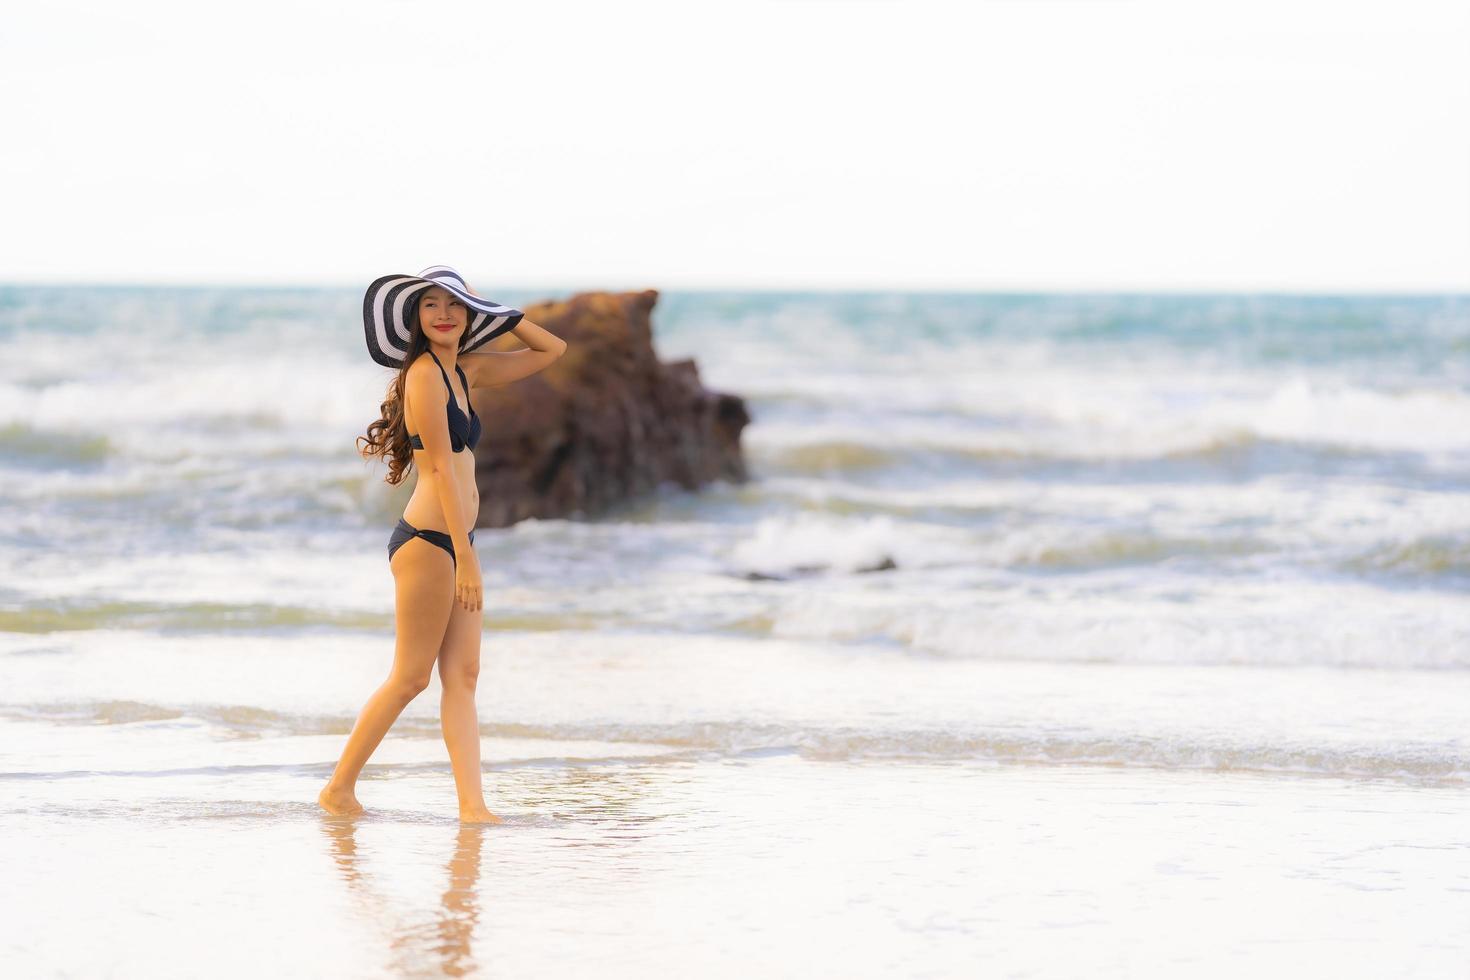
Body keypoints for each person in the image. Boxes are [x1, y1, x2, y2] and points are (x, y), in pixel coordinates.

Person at [318, 266, 568, 823]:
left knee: (463, 677)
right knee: (410, 677)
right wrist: (467, 558)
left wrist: (501, 312)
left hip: (457, 540)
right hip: (432, 541)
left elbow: (552, 350)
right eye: (431, 305)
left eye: (454, 304)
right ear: (415, 318)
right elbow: (438, 470)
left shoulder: (465, 370)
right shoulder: (425, 377)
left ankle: (473, 807)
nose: (444, 314)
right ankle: (337, 789)